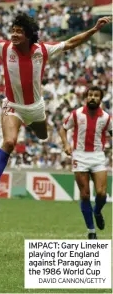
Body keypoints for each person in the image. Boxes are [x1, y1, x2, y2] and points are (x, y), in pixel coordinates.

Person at [0, 13, 111, 210]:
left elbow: (71, 42)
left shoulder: (42, 51)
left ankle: (34, 128)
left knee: (43, 136)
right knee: (9, 142)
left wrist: (94, 30)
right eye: (13, 30)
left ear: (28, 35)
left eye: (19, 31)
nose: (14, 34)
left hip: (35, 108)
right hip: (12, 106)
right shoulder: (5, 47)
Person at [59, 86, 112, 239]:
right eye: (90, 95)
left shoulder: (106, 118)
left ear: (100, 99)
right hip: (80, 156)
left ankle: (97, 211)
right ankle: (91, 231)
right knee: (85, 194)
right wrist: (66, 144)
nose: (92, 98)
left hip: (97, 156)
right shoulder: (77, 114)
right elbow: (63, 129)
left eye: (96, 95)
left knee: (101, 193)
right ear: (86, 97)